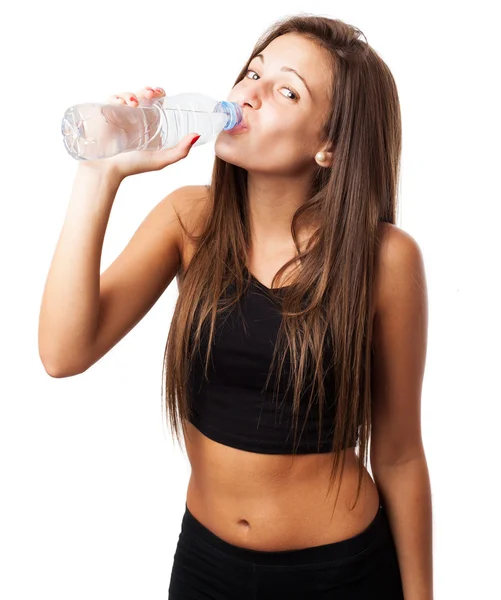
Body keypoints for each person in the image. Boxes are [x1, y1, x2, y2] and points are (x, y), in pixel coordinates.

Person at [39, 14, 432, 600]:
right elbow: (62, 353)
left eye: (286, 89)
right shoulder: (187, 220)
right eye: (253, 71)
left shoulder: (384, 260)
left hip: (341, 575)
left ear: (329, 146)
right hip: (206, 568)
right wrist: (99, 176)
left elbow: (399, 455)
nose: (248, 92)